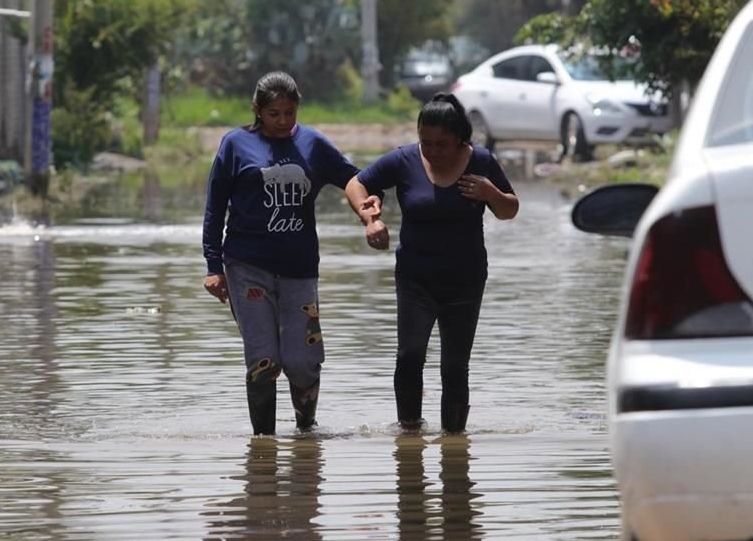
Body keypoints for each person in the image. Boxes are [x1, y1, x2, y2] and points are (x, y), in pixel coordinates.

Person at [202, 71, 381, 435]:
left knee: (302, 360)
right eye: (274, 114)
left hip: (299, 269)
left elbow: (351, 178)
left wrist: (368, 213)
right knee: (264, 360)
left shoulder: (312, 143)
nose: (283, 121)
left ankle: (306, 433)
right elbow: (214, 207)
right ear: (257, 109)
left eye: (289, 113)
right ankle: (263, 446)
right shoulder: (235, 144)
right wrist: (213, 266)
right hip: (246, 267)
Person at [345, 92, 519, 434]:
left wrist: (491, 193)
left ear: (460, 140)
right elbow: (357, 183)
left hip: (465, 280)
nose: (433, 151)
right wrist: (370, 219)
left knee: (455, 366)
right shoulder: (404, 160)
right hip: (415, 279)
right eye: (426, 143)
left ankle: (454, 443)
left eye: (442, 144)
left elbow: (509, 210)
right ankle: (409, 436)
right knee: (409, 356)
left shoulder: (481, 162)